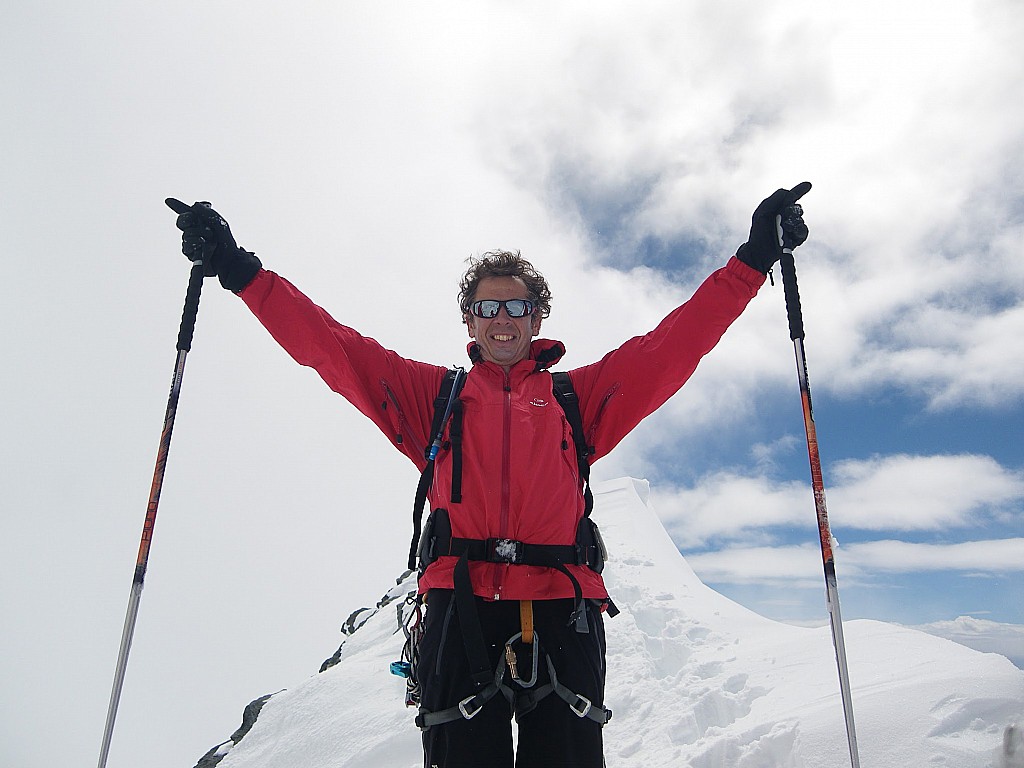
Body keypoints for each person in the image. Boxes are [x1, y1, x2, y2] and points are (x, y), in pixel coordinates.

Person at [169, 183, 810, 768]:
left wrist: (752, 260)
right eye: (489, 308)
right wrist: (237, 268)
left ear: (537, 320)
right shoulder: (435, 399)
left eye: (517, 307)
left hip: (562, 607)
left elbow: (673, 346)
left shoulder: (575, 400)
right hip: (460, 607)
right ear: (470, 321)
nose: (503, 319)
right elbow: (332, 348)